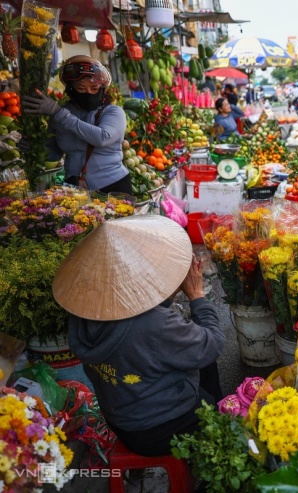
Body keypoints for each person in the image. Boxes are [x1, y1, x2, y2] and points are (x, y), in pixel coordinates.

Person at [54, 215, 225, 456]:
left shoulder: (83, 315)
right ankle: (214, 436)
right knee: (207, 358)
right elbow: (215, 343)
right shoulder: (156, 324)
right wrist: (196, 296)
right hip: (165, 428)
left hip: (120, 421)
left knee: (200, 361)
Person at [21, 55, 132, 194]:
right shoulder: (61, 114)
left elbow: (102, 138)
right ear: (71, 89)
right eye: (81, 88)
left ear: (102, 89)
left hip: (112, 186)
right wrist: (33, 148)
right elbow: (54, 153)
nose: (88, 93)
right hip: (75, 189)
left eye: (94, 88)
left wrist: (58, 113)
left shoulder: (114, 112)